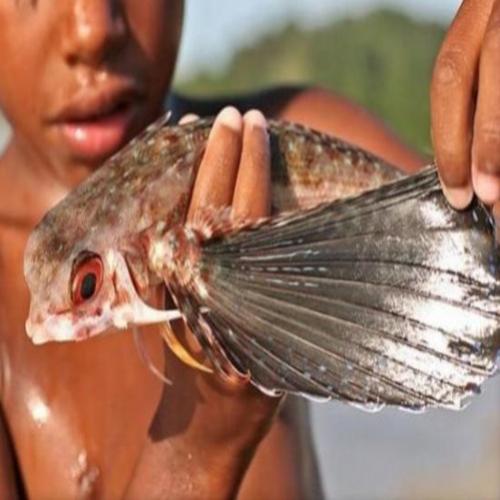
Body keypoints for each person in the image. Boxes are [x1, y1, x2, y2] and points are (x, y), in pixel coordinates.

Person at [0, 1, 498, 498]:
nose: (93, 29)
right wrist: (208, 433)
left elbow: (476, 259)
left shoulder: (274, 135)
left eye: (86, 287)